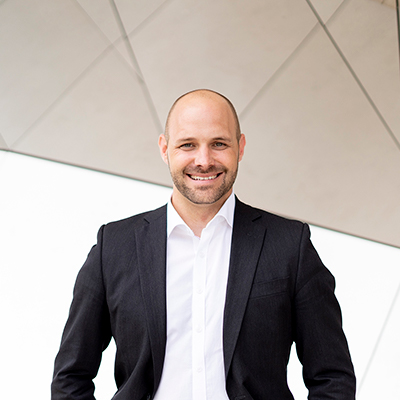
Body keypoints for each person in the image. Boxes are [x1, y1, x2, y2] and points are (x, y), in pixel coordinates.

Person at [51, 89, 356, 400]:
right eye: (188, 144)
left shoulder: (290, 246)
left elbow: (332, 378)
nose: (204, 161)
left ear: (240, 147)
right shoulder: (114, 248)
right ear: (165, 149)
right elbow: (70, 378)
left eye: (219, 144)